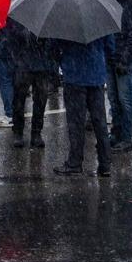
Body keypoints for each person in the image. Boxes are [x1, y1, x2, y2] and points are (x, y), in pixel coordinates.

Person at [53, 35, 111, 177]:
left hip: (75, 76)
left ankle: (75, 163)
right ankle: (105, 164)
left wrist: (63, 62)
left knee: (76, 123)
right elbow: (110, 48)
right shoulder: (100, 20)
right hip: (96, 76)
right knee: (100, 122)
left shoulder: (66, 23)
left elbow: (55, 48)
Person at [5, 18, 57, 149]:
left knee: (40, 100)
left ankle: (36, 133)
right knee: (19, 100)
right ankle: (18, 131)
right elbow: (11, 38)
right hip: (23, 64)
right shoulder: (18, 17)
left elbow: (52, 41)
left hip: (41, 65)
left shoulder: (46, 18)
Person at [105, 0, 132, 153]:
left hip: (123, 60)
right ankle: (116, 132)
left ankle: (126, 137)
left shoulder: (130, 6)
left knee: (124, 99)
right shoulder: (111, 2)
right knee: (114, 98)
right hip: (112, 57)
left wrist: (124, 58)